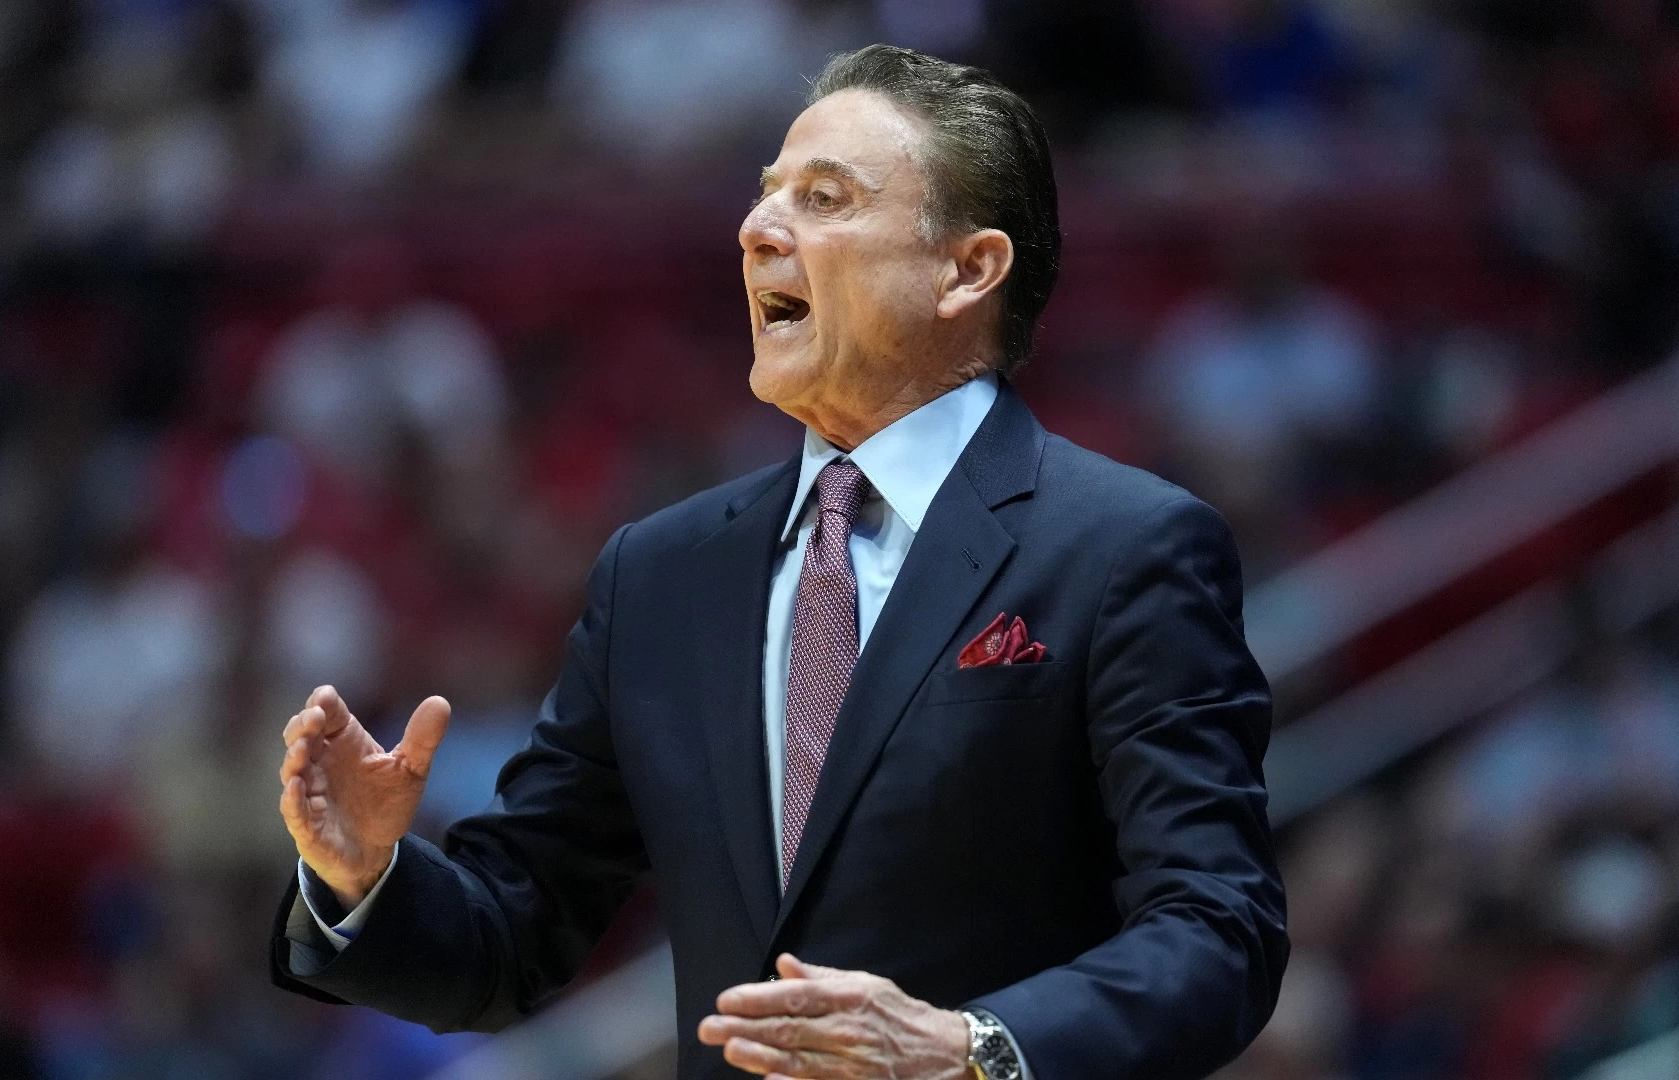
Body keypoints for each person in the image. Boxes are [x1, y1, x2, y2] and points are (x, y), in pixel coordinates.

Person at [267, 44, 1287, 1080]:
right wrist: (361, 876)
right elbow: (512, 934)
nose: (757, 229)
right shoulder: (660, 576)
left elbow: (1218, 929)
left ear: (967, 270)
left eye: (824, 198)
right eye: (765, 195)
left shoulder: (1123, 547)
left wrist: (974, 1048)